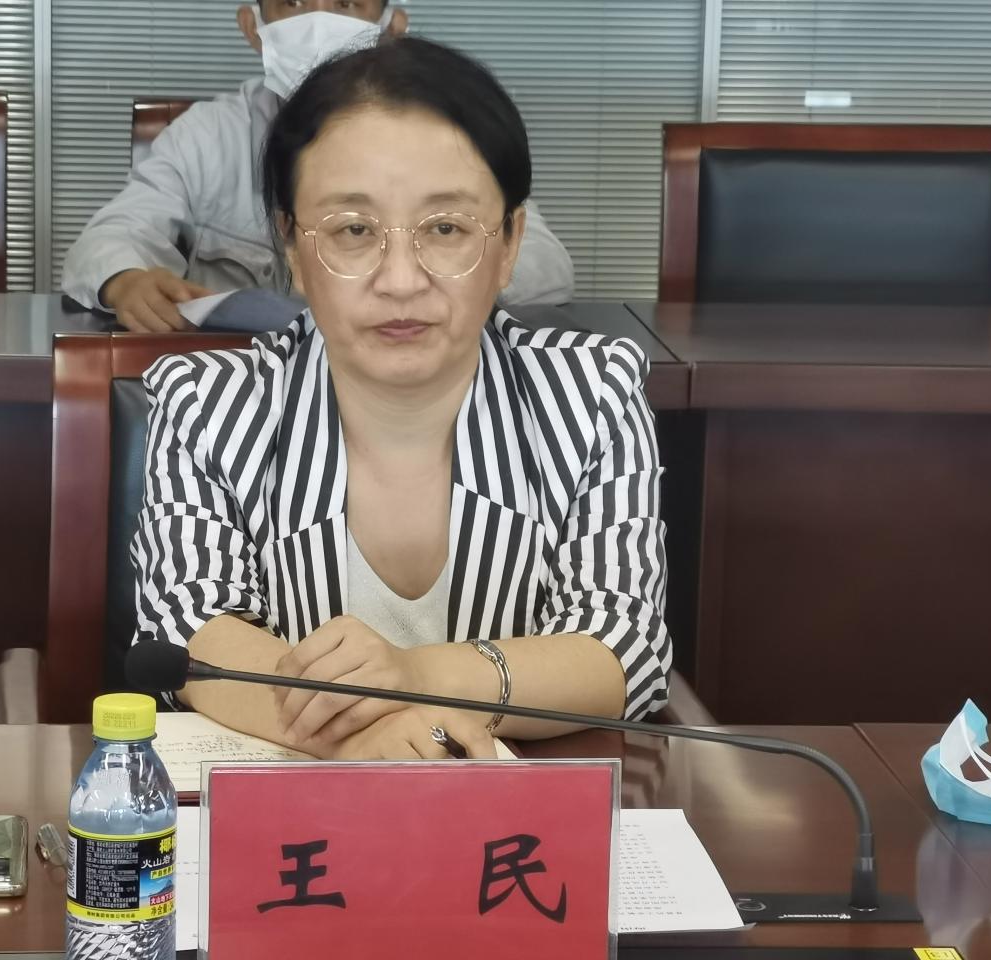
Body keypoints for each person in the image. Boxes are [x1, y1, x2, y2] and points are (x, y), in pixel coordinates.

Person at [130, 37, 670, 761]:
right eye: (353, 231)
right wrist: (367, 736)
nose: (401, 280)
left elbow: (623, 646)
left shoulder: (590, 393)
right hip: (299, 818)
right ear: (292, 247)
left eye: (445, 229)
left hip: (520, 816)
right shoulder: (210, 404)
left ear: (510, 242)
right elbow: (192, 633)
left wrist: (415, 680)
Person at [62, 1, 576, 333]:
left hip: (401, 378)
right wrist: (125, 279)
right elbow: (114, 235)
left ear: (392, 26)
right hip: (241, 385)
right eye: (292, 3)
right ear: (253, 27)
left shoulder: (447, 131)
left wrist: (436, 276)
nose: (317, 20)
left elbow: (543, 266)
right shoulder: (204, 135)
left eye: (347, 3)